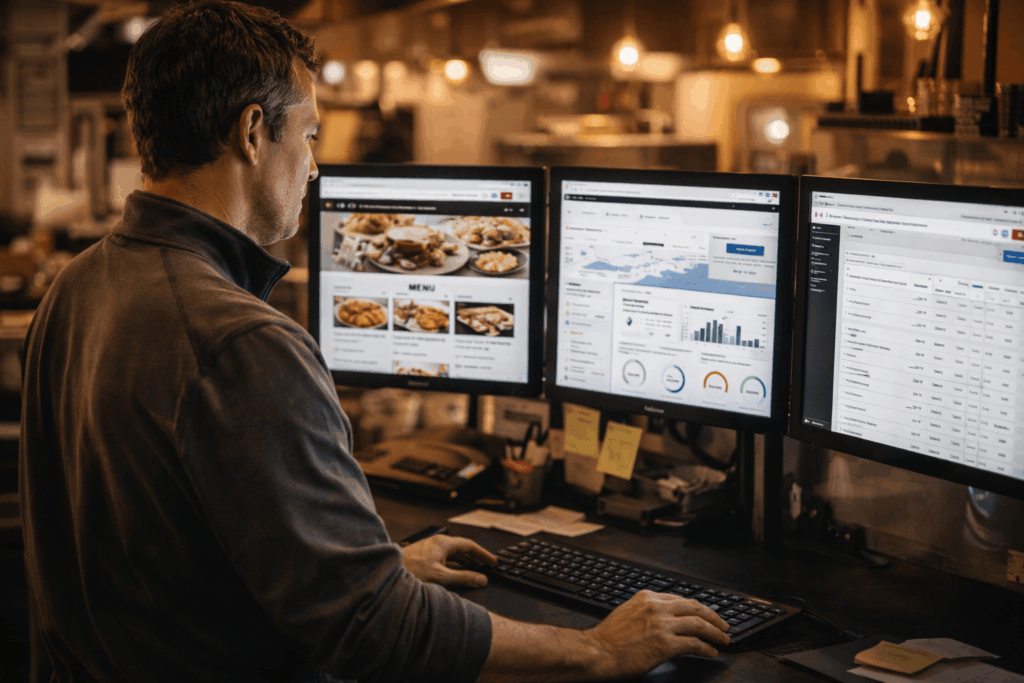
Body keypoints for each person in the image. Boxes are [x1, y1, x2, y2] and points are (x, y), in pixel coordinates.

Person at [18, 2, 731, 681]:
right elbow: (371, 627)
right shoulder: (243, 344)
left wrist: (372, 564)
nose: (315, 167)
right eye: (310, 137)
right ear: (252, 131)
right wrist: (597, 650)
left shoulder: (75, 289)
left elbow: (169, 548)